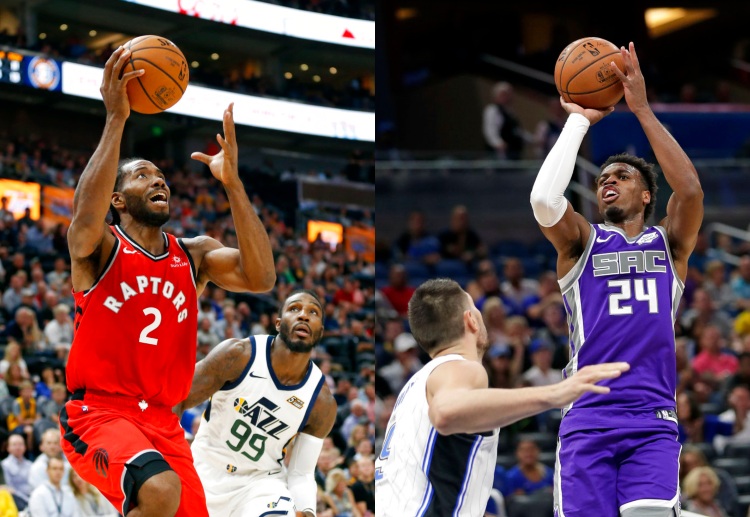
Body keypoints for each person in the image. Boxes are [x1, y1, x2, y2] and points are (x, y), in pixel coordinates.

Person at [60, 46, 276, 517]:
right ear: (118, 198)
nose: (158, 181)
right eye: (142, 175)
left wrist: (233, 185)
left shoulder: (193, 254)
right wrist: (116, 119)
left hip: (163, 422)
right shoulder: (101, 249)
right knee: (158, 491)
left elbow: (261, 278)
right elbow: (83, 217)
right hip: (97, 413)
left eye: (161, 176)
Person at [529, 42, 704, 516]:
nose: (608, 179)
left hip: (651, 416)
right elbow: (545, 200)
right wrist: (578, 120)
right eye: (603, 175)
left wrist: (641, 110)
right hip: (588, 416)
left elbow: (688, 189)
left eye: (622, 175)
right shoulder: (582, 243)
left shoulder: (668, 244)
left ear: (646, 195)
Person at [375, 278, 629, 516]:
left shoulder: (413, 387)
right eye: (476, 309)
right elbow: (445, 413)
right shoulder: (461, 367)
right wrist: (557, 393)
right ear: (471, 320)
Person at [180, 290, 337, 517]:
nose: (303, 315)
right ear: (278, 323)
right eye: (294, 308)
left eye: (313, 312)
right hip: (204, 469)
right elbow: (177, 399)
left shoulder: (321, 402)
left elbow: (301, 473)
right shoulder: (237, 354)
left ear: (320, 332)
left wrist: (307, 511)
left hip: (261, 484)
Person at [482, 81, 527, 160]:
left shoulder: (510, 112)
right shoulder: (492, 110)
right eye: (505, 95)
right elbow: (490, 130)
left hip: (514, 152)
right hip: (500, 153)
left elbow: (517, 131)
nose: (508, 97)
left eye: (509, 95)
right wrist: (498, 143)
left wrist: (531, 140)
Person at [1, 434, 32, 510]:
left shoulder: (31, 465)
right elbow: (9, 488)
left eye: (20, 444)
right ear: (8, 448)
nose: (18, 447)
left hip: (33, 499)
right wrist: (27, 501)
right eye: (14, 444)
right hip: (16, 502)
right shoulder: (4, 465)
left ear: (25, 447)